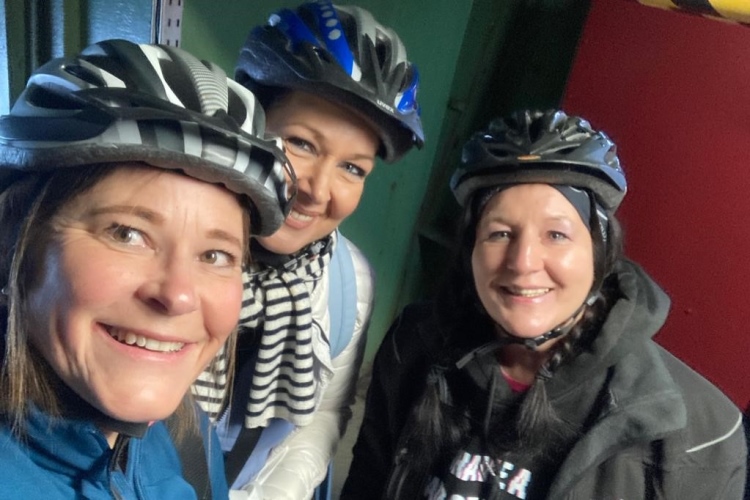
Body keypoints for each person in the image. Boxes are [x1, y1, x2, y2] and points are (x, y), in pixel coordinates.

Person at [342, 109, 747, 499]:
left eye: (556, 235)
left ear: (600, 253)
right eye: (500, 234)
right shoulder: (413, 344)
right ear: (471, 250)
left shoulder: (700, 435)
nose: (523, 263)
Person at [0, 39, 293, 499]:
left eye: (215, 255)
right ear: (13, 242)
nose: (178, 295)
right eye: (127, 233)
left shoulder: (188, 438)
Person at [191, 1, 424, 498]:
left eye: (353, 168)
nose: (318, 190)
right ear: (248, 121)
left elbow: (323, 414)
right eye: (301, 143)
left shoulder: (347, 283)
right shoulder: (174, 251)